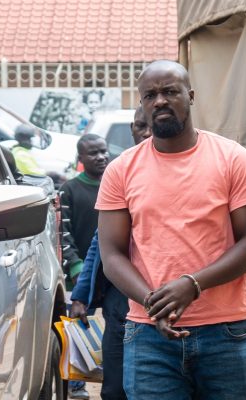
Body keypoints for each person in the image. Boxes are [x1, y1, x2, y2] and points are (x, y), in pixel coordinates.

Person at [97, 60, 246, 399]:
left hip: (224, 333)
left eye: (170, 92)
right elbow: (112, 255)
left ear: (190, 96)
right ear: (142, 104)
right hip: (149, 336)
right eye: (150, 95)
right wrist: (153, 304)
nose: (160, 101)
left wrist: (192, 285)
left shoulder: (232, 159)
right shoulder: (121, 170)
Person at [69, 106, 151, 400]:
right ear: (132, 130)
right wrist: (81, 294)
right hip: (121, 300)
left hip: (167, 299)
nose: (147, 133)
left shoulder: (188, 170)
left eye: (152, 126)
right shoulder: (120, 173)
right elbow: (100, 243)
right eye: (141, 126)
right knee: (115, 386)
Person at [60, 133, 109, 400]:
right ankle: (77, 385)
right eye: (93, 153)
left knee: (115, 327)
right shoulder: (70, 189)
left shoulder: (115, 183)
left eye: (103, 151)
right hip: (80, 274)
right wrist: (77, 267)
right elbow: (64, 232)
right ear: (81, 158)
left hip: (111, 272)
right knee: (79, 326)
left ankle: (111, 377)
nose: (101, 157)